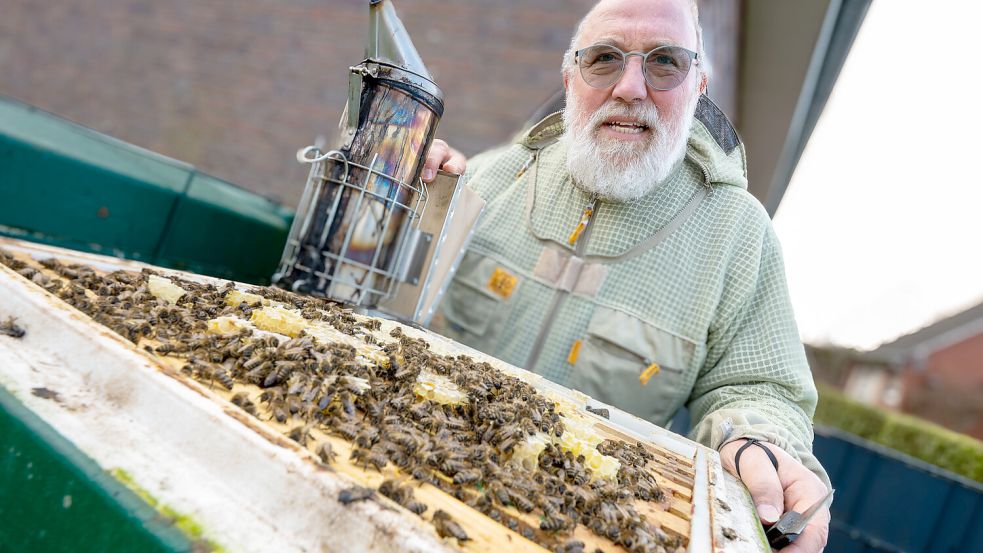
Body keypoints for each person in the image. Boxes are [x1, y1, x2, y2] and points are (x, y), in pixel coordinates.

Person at [421, 0, 831, 550]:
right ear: (571, 76)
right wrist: (410, 193)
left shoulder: (737, 234)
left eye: (665, 63)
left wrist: (755, 441)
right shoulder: (497, 176)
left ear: (699, 87)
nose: (631, 87)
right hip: (416, 488)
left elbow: (758, 389)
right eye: (605, 59)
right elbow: (391, 294)